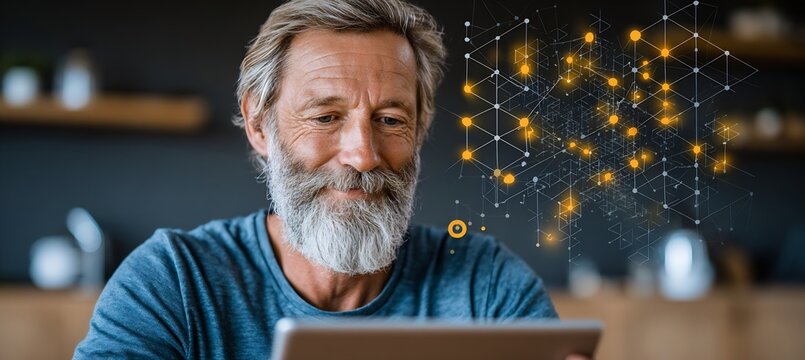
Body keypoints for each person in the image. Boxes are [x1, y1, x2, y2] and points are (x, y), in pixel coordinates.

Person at [74, 1, 588, 358]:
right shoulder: (173, 284)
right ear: (259, 125)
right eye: (325, 117)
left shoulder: (486, 286)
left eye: (390, 120)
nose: (362, 156)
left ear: (422, 127)